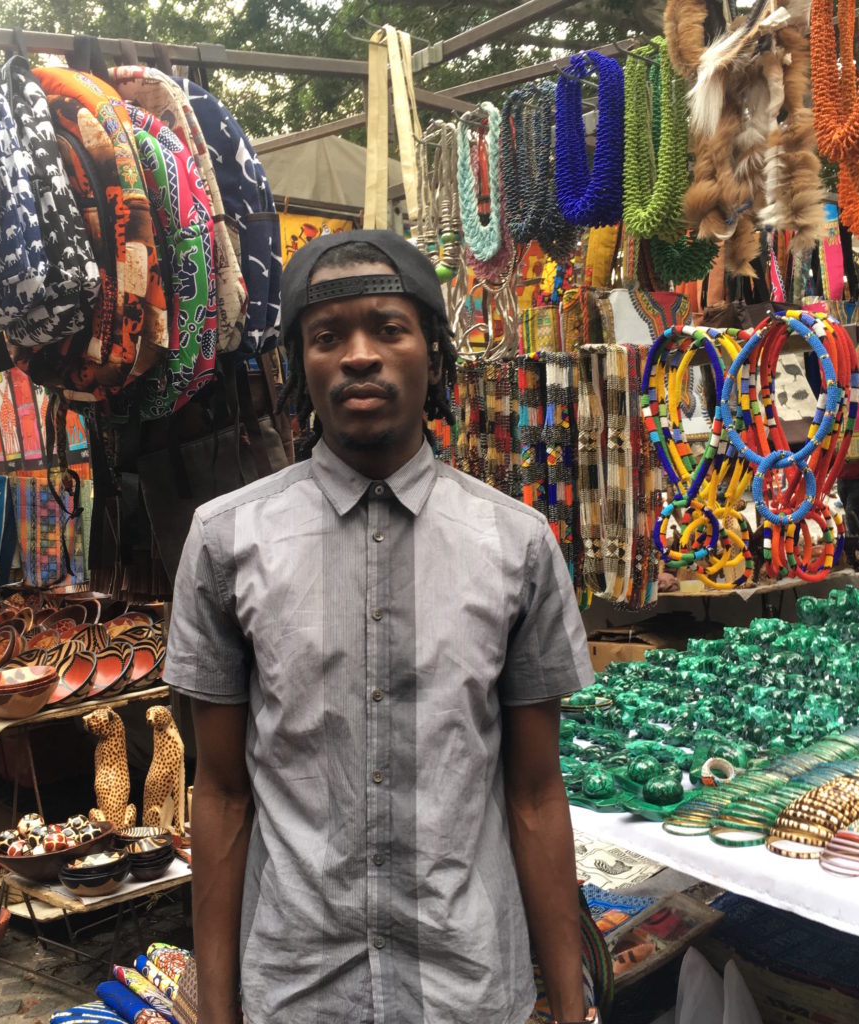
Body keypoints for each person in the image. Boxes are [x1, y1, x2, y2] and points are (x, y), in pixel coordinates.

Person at [165, 229, 597, 1024]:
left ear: (434, 352)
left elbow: (536, 792)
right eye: (327, 336)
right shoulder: (226, 543)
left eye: (389, 328)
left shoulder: (517, 546)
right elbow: (221, 793)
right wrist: (218, 1013)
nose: (359, 356)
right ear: (299, 364)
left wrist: (572, 1007)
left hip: (466, 991)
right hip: (298, 991)